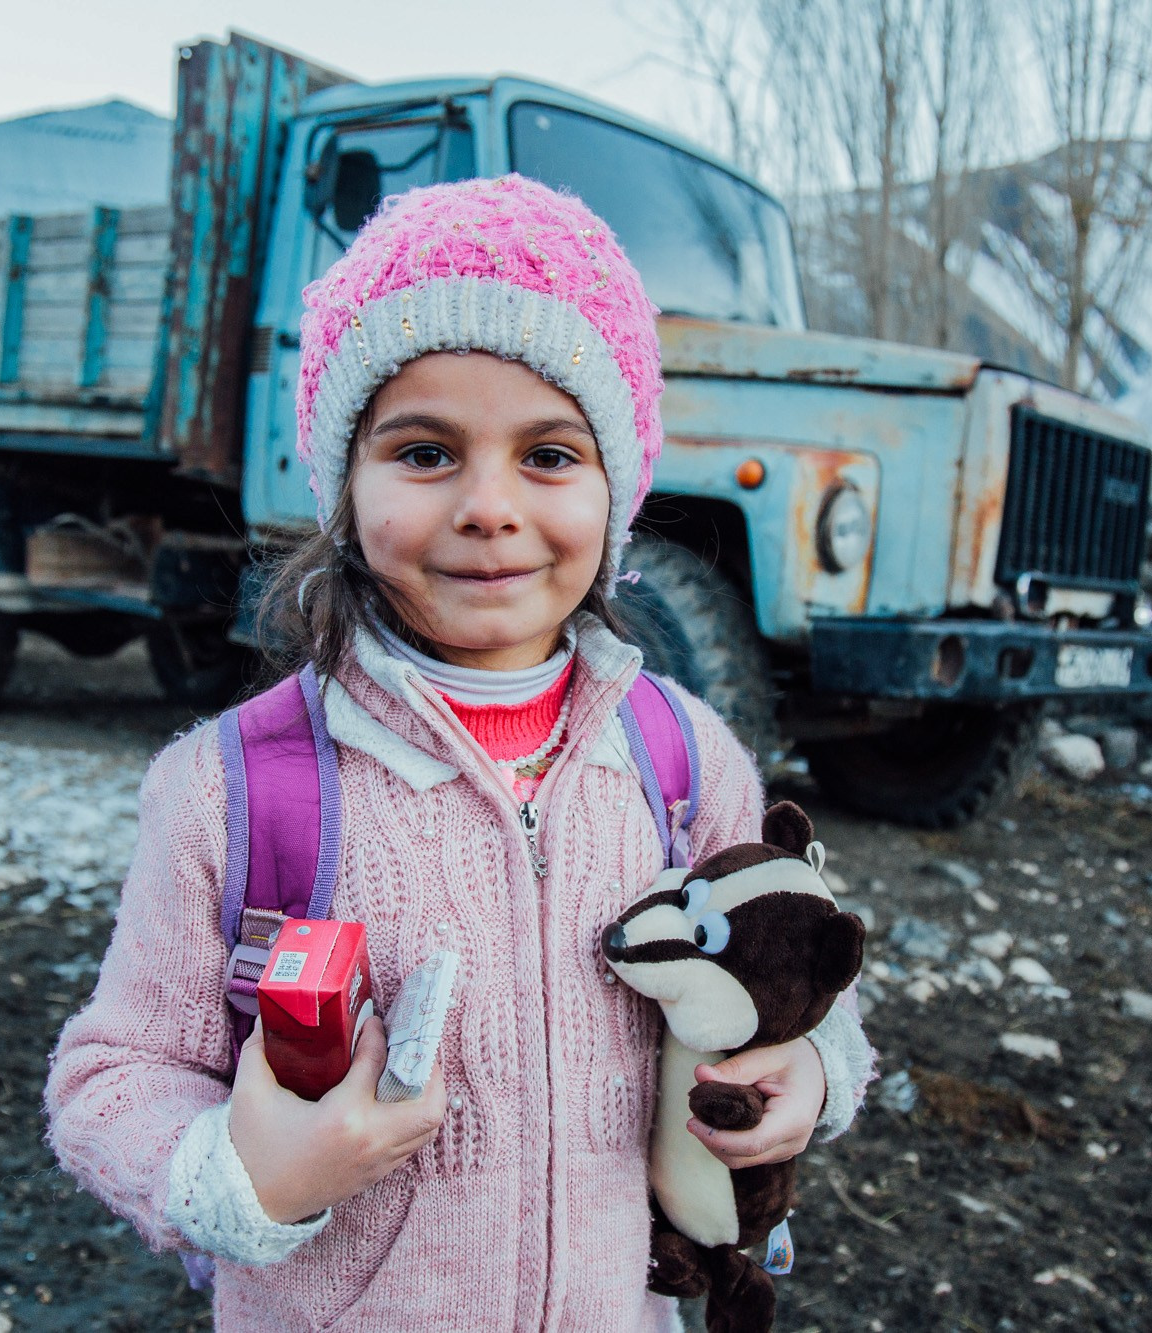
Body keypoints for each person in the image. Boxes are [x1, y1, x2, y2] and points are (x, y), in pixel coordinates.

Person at [44, 174, 876, 1331]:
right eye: (425, 453)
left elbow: (793, 974)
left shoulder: (685, 763)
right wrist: (239, 1181)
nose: (489, 506)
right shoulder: (231, 790)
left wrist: (814, 1069)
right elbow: (111, 1076)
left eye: (547, 455)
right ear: (344, 484)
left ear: (615, 486)